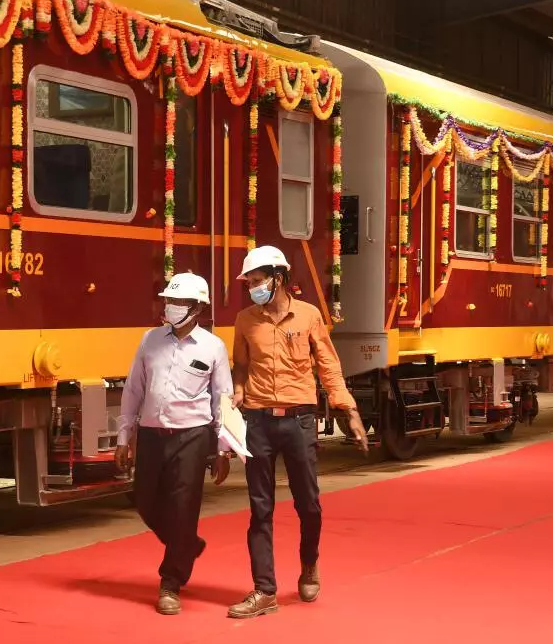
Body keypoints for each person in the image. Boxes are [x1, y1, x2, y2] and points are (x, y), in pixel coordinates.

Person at [227, 245, 368, 619]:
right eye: (249, 282)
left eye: (257, 281)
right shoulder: (245, 320)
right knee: (260, 509)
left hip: (300, 420)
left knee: (309, 505)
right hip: (257, 420)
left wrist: (349, 410)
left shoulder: (309, 317)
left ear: (278, 278)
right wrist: (239, 388)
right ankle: (264, 590)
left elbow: (329, 367)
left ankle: (309, 564)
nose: (252, 288)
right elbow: (240, 365)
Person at [116, 272, 234, 616]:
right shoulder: (149, 340)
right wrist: (125, 436)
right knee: (144, 501)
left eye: (179, 303)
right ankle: (186, 544)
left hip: (192, 437)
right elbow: (133, 390)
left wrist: (223, 449)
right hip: (152, 434)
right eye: (169, 301)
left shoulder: (213, 347)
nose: (170, 307)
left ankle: (171, 582)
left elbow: (222, 399)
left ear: (197, 308)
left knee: (184, 507)